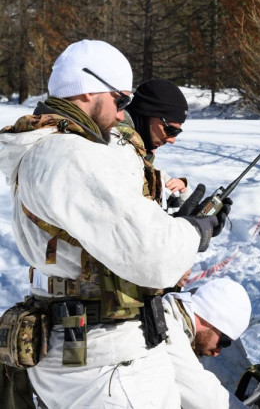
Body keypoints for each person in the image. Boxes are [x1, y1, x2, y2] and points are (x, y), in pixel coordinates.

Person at [0, 39, 229, 407]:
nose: (123, 115)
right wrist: (195, 230)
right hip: (108, 365)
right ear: (88, 89)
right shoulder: (70, 155)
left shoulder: (46, 150)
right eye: (120, 100)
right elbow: (155, 256)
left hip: (82, 352)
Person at [162, 277, 252, 409]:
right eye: (223, 342)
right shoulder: (166, 329)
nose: (217, 352)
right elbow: (204, 396)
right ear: (211, 320)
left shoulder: (174, 321)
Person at [115, 78, 192, 211]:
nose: (172, 140)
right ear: (147, 113)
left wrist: (183, 191)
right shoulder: (116, 146)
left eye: (177, 132)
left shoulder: (138, 151)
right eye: (170, 130)